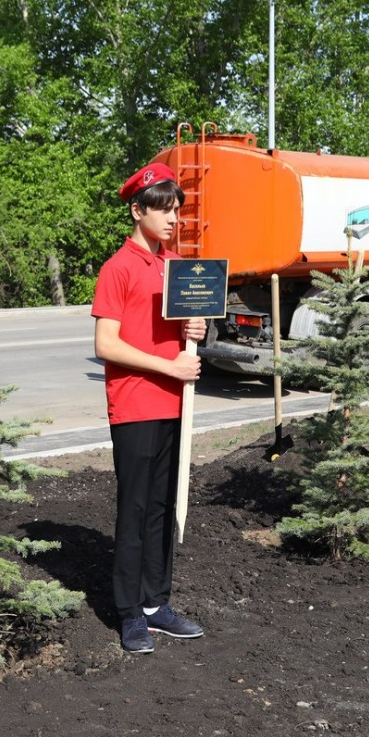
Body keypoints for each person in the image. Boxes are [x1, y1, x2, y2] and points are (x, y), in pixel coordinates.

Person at [91, 162, 208, 653]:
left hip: (172, 402)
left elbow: (176, 332)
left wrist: (195, 334)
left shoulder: (174, 266)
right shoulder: (117, 268)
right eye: (162, 209)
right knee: (134, 508)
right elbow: (106, 345)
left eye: (176, 210)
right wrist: (168, 367)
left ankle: (157, 603)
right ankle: (129, 612)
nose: (172, 218)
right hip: (136, 403)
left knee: (163, 506)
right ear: (137, 211)